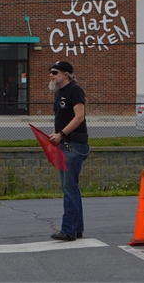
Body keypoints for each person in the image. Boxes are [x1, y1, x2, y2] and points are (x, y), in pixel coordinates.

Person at [48, 60, 90, 242]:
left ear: (66, 74)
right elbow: (62, 117)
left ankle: (68, 231)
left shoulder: (75, 90)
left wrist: (62, 134)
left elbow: (79, 117)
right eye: (50, 72)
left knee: (69, 188)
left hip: (74, 145)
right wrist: (56, 134)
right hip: (65, 143)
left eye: (55, 72)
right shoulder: (59, 93)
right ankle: (77, 229)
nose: (51, 74)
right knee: (72, 188)